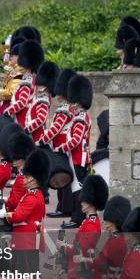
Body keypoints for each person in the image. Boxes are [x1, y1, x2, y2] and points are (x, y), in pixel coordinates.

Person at [1, 149, 50, 279]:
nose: (25, 180)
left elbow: (19, 215)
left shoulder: (32, 197)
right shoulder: (32, 194)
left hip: (28, 239)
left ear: (35, 180)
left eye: (28, 178)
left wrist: (6, 215)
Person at [54, 75, 93, 229]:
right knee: (76, 187)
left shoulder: (81, 118)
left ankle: (78, 218)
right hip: (76, 156)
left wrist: (61, 148)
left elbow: (76, 140)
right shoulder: (79, 116)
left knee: (78, 187)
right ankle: (77, 216)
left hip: (78, 157)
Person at [42, 69, 77, 220]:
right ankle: (62, 207)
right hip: (60, 144)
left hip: (63, 145)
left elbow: (56, 128)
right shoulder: (67, 106)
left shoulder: (65, 108)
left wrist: (43, 139)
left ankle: (65, 208)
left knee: (64, 178)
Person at [2, 40, 44, 129]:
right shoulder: (30, 79)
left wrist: (7, 112)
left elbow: (22, 102)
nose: (19, 64)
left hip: (22, 121)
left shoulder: (27, 82)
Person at [25, 61, 59, 143]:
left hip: (34, 138)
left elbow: (40, 119)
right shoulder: (41, 97)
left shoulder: (43, 99)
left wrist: (26, 131)